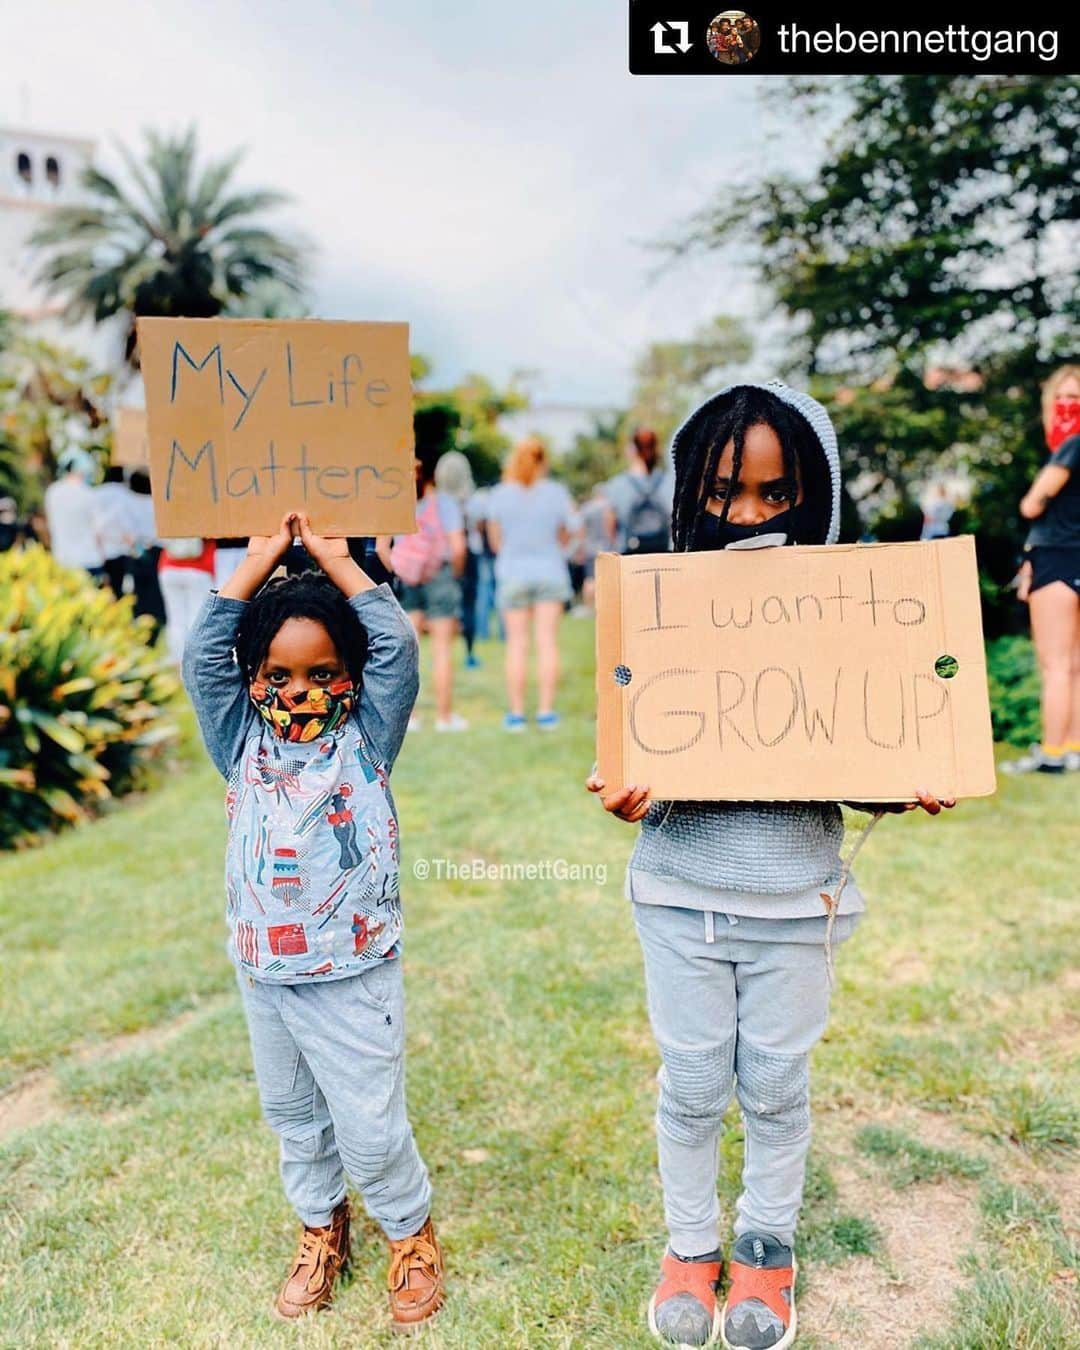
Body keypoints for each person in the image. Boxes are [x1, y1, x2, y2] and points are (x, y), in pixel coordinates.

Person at [586, 381, 954, 1350]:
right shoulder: (661, 611)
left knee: (778, 1088)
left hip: (799, 905)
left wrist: (911, 771)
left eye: (774, 495)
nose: (746, 518)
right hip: (679, 900)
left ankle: (766, 1245)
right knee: (694, 1082)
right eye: (721, 496)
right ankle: (689, 1246)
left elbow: (842, 762)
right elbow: (656, 760)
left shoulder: (844, 618)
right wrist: (633, 789)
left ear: (815, 495)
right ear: (686, 494)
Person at [181, 511, 444, 1330]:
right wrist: (257, 560)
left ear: (353, 678)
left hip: (353, 971)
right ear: (253, 675)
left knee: (369, 1124)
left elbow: (398, 647)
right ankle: (321, 1227)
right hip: (266, 972)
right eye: (280, 675)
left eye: (322, 673)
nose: (300, 693)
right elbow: (199, 661)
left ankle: (408, 1230)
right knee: (295, 1117)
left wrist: (335, 560)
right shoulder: (240, 740)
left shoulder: (366, 737)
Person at [1003, 364, 1080, 775]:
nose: (1068, 405)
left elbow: (1032, 504)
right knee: (1074, 664)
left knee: (1054, 664)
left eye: (1075, 398)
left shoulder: (1071, 447)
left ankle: (1051, 754)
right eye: (1063, 398)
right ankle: (1071, 748)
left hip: (1057, 557)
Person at [486, 438, 577, 730]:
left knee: (517, 644)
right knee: (547, 642)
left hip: (513, 572)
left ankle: (516, 713)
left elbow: (495, 541)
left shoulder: (500, 494)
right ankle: (546, 711)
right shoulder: (556, 493)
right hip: (550, 570)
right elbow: (571, 531)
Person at [376, 442, 468, 732]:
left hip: (407, 580)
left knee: (408, 651)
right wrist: (453, 574)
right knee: (442, 649)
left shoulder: (394, 503)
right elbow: (458, 547)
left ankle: (411, 719)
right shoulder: (444, 504)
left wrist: (400, 571)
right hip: (439, 577)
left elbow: (381, 549)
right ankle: (444, 716)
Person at [434, 450, 481, 668]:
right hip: (470, 554)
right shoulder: (473, 501)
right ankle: (469, 653)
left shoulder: (437, 502)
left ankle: (443, 653)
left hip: (444, 557)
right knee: (469, 605)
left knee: (444, 609)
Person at [605, 427, 674, 556]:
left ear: (632, 450)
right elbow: (674, 521)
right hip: (663, 555)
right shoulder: (669, 482)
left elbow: (610, 527)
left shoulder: (618, 484)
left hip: (629, 555)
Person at [43, 449, 106, 578]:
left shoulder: (52, 492)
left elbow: (49, 526)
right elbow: (98, 531)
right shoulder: (89, 494)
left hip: (62, 560)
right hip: (90, 561)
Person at [158, 535, 216, 666]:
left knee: (175, 620)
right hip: (199, 568)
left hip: (168, 567)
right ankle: (196, 663)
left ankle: (178, 662)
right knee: (197, 619)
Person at [91, 465, 137, 596]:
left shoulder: (97, 493)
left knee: (104, 592)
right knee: (122, 593)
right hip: (122, 550)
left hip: (103, 551)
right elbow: (127, 524)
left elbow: (94, 523)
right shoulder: (125, 493)